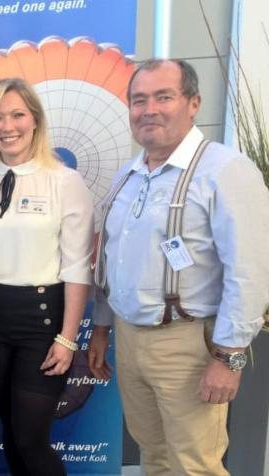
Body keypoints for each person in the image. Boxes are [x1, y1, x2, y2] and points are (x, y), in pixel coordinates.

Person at [88, 59, 269, 475]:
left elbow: (249, 271)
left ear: (193, 103)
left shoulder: (225, 171)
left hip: (188, 345)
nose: (148, 109)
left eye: (163, 97)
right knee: (155, 457)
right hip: (129, 339)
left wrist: (229, 357)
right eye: (138, 100)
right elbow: (110, 261)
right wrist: (101, 328)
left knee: (195, 466)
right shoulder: (127, 177)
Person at [0, 78, 94, 475]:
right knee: (12, 431)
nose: (7, 126)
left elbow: (78, 268)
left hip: (43, 323)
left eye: (17, 114)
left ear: (35, 120)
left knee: (31, 439)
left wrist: (68, 338)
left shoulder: (65, 181)